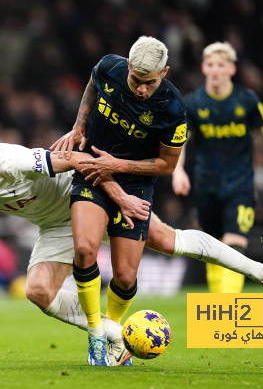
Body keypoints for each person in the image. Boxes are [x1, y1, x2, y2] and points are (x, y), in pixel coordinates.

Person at [0, 136, 263, 367]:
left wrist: (119, 198)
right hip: (53, 226)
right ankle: (117, 336)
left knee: (167, 241)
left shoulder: (15, 159)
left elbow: (81, 161)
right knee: (38, 293)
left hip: (85, 201)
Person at [50, 36, 190, 365]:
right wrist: (79, 125)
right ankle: (97, 334)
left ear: (165, 72)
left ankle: (115, 335)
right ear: (127, 66)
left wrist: (117, 165)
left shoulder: (173, 108)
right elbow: (92, 84)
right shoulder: (108, 68)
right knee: (85, 249)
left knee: (125, 277)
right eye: (137, 81)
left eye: (150, 83)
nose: (142, 89)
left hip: (136, 186)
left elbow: (167, 165)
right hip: (91, 171)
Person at [172, 42, 263, 294]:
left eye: (221, 65)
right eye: (211, 65)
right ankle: (221, 308)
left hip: (240, 186)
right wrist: (178, 170)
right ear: (204, 68)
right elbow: (181, 139)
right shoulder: (193, 103)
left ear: (232, 69)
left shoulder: (246, 100)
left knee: (234, 244)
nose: (215, 70)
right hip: (206, 186)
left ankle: (228, 305)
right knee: (214, 249)